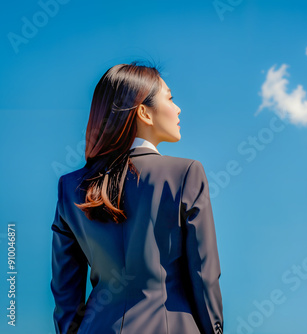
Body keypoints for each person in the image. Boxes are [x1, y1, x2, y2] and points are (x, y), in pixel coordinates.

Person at [50, 61, 223, 334]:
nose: (178, 109)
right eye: (170, 98)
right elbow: (204, 275)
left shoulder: (70, 186)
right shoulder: (186, 173)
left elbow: (65, 291)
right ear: (143, 112)